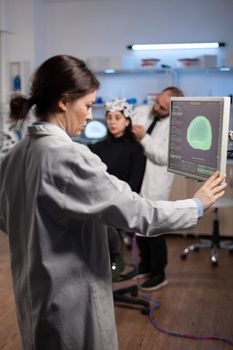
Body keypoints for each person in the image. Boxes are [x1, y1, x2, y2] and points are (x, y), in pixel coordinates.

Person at [0, 55, 226, 350]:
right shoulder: (69, 157)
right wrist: (196, 204)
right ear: (64, 102)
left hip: (35, 291)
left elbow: (8, 219)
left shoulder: (14, 155)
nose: (90, 115)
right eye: (88, 105)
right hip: (71, 300)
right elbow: (138, 212)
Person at [131, 87, 185, 292]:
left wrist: (144, 137)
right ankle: (144, 266)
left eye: (163, 107)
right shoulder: (143, 110)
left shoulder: (177, 127)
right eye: (158, 101)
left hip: (155, 184)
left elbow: (163, 157)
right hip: (137, 178)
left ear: (173, 109)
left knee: (154, 229)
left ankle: (158, 274)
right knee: (139, 225)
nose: (157, 107)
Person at [89, 98, 145, 280]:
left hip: (121, 203)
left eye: (117, 118)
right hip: (97, 202)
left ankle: (115, 259)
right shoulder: (97, 148)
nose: (112, 122)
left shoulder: (136, 149)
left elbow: (134, 185)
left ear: (127, 121)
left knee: (103, 223)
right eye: (109, 117)